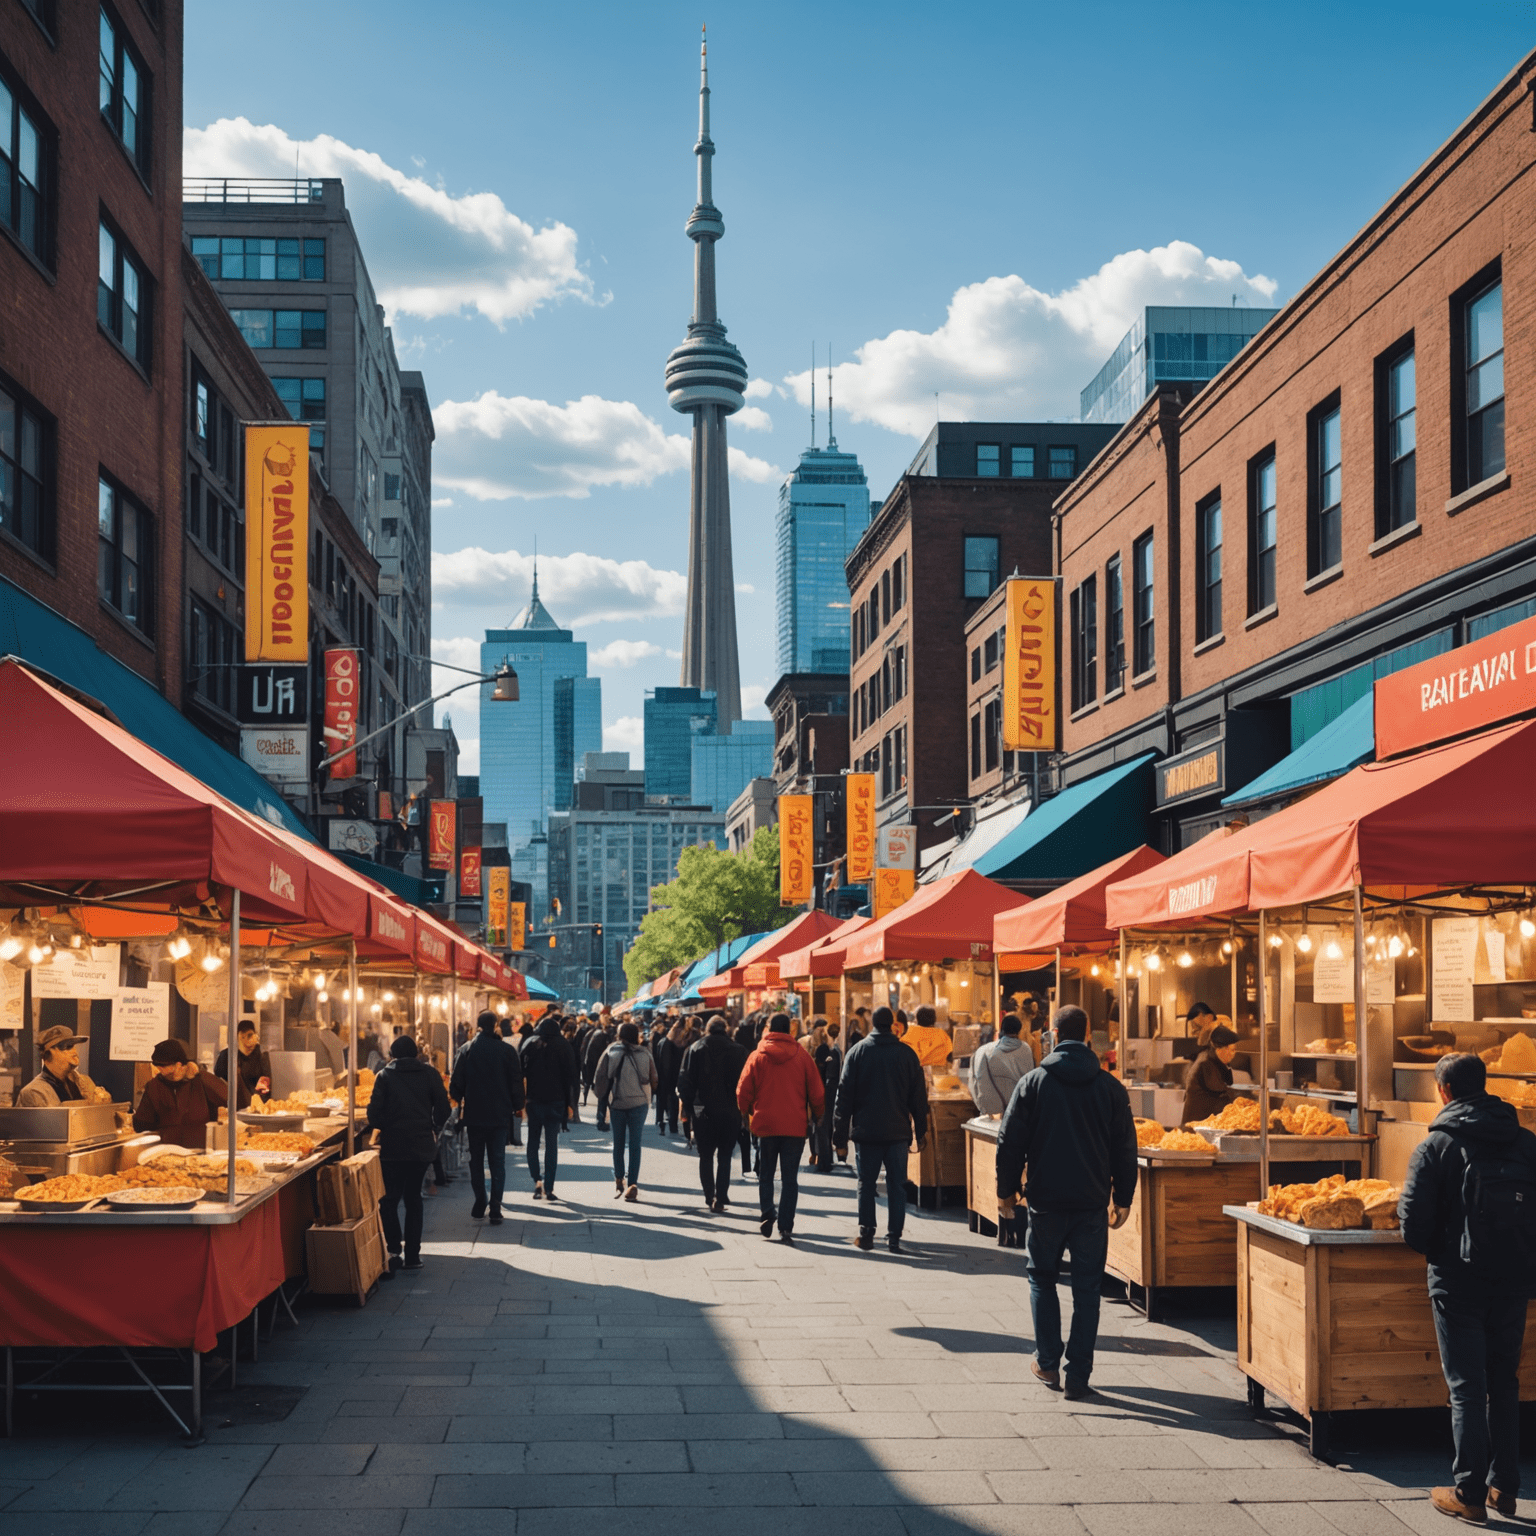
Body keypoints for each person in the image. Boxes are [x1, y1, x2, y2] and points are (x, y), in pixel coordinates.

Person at [1400, 1052, 1536, 1521]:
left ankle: (1469, 1494)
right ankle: (1506, 1487)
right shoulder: (1525, 1142)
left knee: (1465, 1388)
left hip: (1457, 1283)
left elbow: (1413, 1229)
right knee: (1504, 1383)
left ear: (1444, 1091)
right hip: (1514, 1279)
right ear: (1485, 1085)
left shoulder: (1436, 1145)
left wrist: (1445, 1244)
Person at [997, 1005, 1137, 1400]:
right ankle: (1079, 1374)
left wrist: (1005, 1190)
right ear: (1088, 1034)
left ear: (1054, 1035)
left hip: (1045, 1201)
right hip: (1092, 1202)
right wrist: (1122, 1197)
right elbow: (1126, 1148)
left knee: (1042, 1277)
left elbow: (1010, 1142)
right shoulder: (1110, 1088)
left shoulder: (1034, 1082)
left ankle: (1046, 1361)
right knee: (1087, 1288)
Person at [833, 1005, 928, 1253]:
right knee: (897, 1185)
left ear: (872, 1025)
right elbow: (919, 1098)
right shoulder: (907, 1054)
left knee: (866, 1183)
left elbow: (843, 1098)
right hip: (898, 1132)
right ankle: (894, 1236)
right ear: (894, 1026)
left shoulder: (857, 1053)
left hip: (866, 1132)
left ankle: (866, 1232)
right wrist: (921, 1131)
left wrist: (839, 1137)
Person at [737, 1013, 824, 1242]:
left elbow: (743, 1090)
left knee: (766, 1174)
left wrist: (745, 1113)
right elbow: (817, 1091)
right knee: (789, 1178)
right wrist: (818, 1114)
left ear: (769, 1030)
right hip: (794, 1126)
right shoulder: (802, 1056)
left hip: (765, 1124)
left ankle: (767, 1212)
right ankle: (786, 1226)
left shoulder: (757, 1056)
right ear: (790, 1031)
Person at [367, 1034, 450, 1272]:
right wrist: (432, 1127)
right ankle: (413, 1255)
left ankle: (394, 1250)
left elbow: (374, 1116)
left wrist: (389, 1126)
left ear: (392, 1055)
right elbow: (444, 1110)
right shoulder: (430, 1074)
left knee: (389, 1199)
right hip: (421, 1147)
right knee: (414, 1199)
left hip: (393, 1148)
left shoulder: (384, 1076)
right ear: (415, 1054)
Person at [449, 1011, 527, 1223]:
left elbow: (455, 1085)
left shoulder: (466, 1050)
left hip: (474, 1115)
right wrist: (517, 1105)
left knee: (476, 1160)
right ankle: (495, 1206)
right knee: (497, 1161)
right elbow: (516, 1082)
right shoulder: (506, 1051)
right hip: (500, 1115)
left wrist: (464, 1096)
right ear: (495, 1026)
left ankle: (480, 1199)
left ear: (479, 1026)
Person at [677, 1015, 748, 1213]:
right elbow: (746, 1082)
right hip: (731, 1109)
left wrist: (690, 1107)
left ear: (707, 1029)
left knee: (705, 1154)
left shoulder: (695, 1049)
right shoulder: (739, 1050)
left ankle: (709, 1194)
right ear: (725, 1029)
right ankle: (722, 1194)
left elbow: (684, 1081)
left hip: (703, 1109)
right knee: (725, 1154)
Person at [519, 1010, 580, 1201]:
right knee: (551, 1144)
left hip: (533, 1101)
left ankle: (536, 1180)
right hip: (556, 1102)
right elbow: (572, 1078)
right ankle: (550, 1186)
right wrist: (571, 1105)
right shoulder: (564, 1045)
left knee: (533, 1142)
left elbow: (519, 1074)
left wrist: (520, 1101)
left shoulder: (530, 1044)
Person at [595, 1022, 658, 1201]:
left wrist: (602, 1098)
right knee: (635, 1144)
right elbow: (654, 1079)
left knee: (618, 1143)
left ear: (619, 1035)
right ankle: (633, 1184)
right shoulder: (645, 1053)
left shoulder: (611, 1052)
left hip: (617, 1103)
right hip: (639, 1103)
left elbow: (599, 1077)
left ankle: (618, 1180)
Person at [132, 1039, 228, 1148]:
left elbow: (228, 1098)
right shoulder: (154, 1086)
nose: (159, 1071)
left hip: (201, 1152)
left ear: (179, 1065)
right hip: (166, 1153)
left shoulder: (200, 1081)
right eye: (157, 1067)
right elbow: (141, 1124)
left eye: (163, 1067)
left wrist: (200, 1073)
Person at [18, 1025, 106, 1105]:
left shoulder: (82, 1083)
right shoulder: (34, 1092)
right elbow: (55, 1119)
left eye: (73, 1046)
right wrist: (91, 1103)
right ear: (50, 1052)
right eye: (67, 1047)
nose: (74, 1052)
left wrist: (104, 1102)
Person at [1181, 1024, 1246, 1125]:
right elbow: (1221, 1097)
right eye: (1232, 1050)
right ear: (1220, 1050)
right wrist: (1243, 1106)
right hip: (1196, 1129)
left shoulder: (1214, 1061)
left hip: (1204, 1125)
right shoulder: (1206, 1064)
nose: (1234, 1054)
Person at [969, 1013, 1031, 1117]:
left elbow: (973, 1081)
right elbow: (1029, 1083)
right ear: (1019, 1030)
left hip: (990, 1115)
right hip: (1016, 1113)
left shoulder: (983, 1051)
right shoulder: (1026, 1050)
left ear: (1001, 1030)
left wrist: (982, 1108)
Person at [806, 1019, 842, 1172]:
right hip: (828, 1094)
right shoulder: (833, 1051)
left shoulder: (823, 1052)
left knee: (820, 1127)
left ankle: (823, 1160)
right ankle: (825, 1159)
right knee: (824, 1128)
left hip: (821, 1094)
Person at [213, 1020, 272, 1110]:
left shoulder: (261, 1055)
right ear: (238, 1038)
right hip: (231, 1103)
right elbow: (218, 1081)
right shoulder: (226, 1055)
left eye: (250, 1036)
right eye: (243, 1037)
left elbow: (266, 1086)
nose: (246, 1041)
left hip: (256, 1104)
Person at [654, 1020, 686, 1136]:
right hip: (670, 1078)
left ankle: (662, 1123)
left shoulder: (666, 1042)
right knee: (671, 1101)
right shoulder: (671, 1043)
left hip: (665, 1077)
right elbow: (667, 1064)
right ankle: (669, 1125)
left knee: (664, 1101)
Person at [583, 1019, 614, 1126]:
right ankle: (602, 1117)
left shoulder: (597, 1037)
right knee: (605, 1096)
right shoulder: (602, 1038)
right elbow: (593, 1058)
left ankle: (601, 1117)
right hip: (604, 1071)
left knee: (604, 1096)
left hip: (602, 1071)